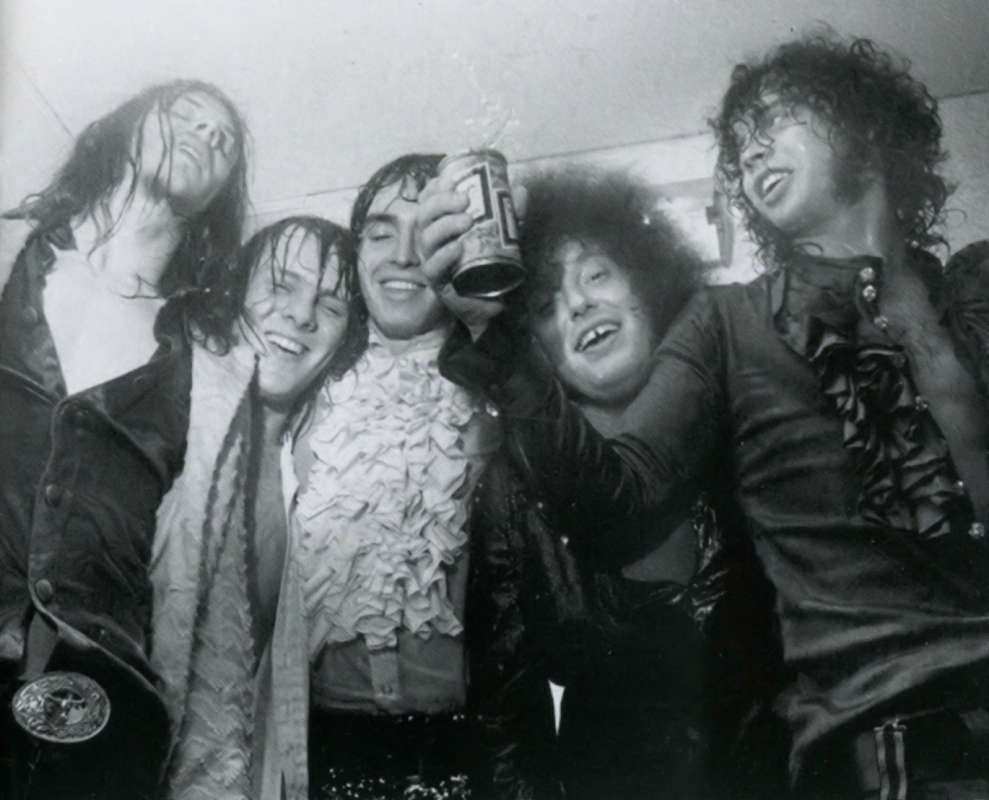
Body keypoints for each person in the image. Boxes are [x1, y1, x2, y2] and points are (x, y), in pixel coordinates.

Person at [419, 34, 989, 800]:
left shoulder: (974, 290)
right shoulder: (726, 325)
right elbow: (615, 508)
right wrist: (490, 330)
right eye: (739, 143)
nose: (751, 150)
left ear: (864, 125)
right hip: (890, 754)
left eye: (777, 120)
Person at [0, 79, 248, 799]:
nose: (207, 133)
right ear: (129, 126)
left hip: (103, 700)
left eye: (225, 140)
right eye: (185, 114)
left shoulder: (207, 359)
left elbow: (211, 579)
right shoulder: (10, 253)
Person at [466, 166, 729, 800]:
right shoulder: (515, 489)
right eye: (546, 305)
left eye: (596, 275)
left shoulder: (739, 427)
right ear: (536, 351)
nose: (578, 304)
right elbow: (506, 734)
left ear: (650, 285)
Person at [293, 154, 501, 800]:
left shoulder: (505, 382)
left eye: (427, 233)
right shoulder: (301, 387)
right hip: (319, 743)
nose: (404, 256)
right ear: (357, 255)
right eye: (382, 232)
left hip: (474, 746)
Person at [151, 216, 366, 800]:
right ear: (235, 292)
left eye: (331, 305)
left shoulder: (324, 471)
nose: (301, 315)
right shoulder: (165, 409)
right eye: (280, 285)